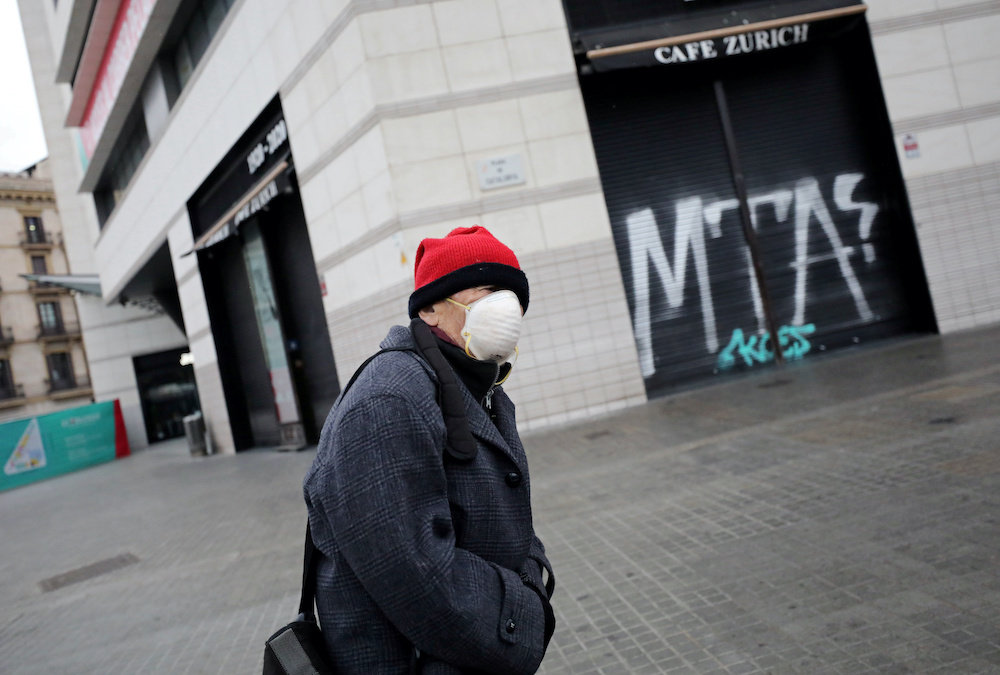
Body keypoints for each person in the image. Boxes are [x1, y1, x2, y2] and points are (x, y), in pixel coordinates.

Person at [303, 226, 556, 674]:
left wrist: (533, 576)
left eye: (513, 294)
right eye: (488, 290)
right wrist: (524, 612)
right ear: (431, 310)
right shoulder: (389, 398)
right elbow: (412, 573)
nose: (507, 307)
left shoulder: (477, 387)